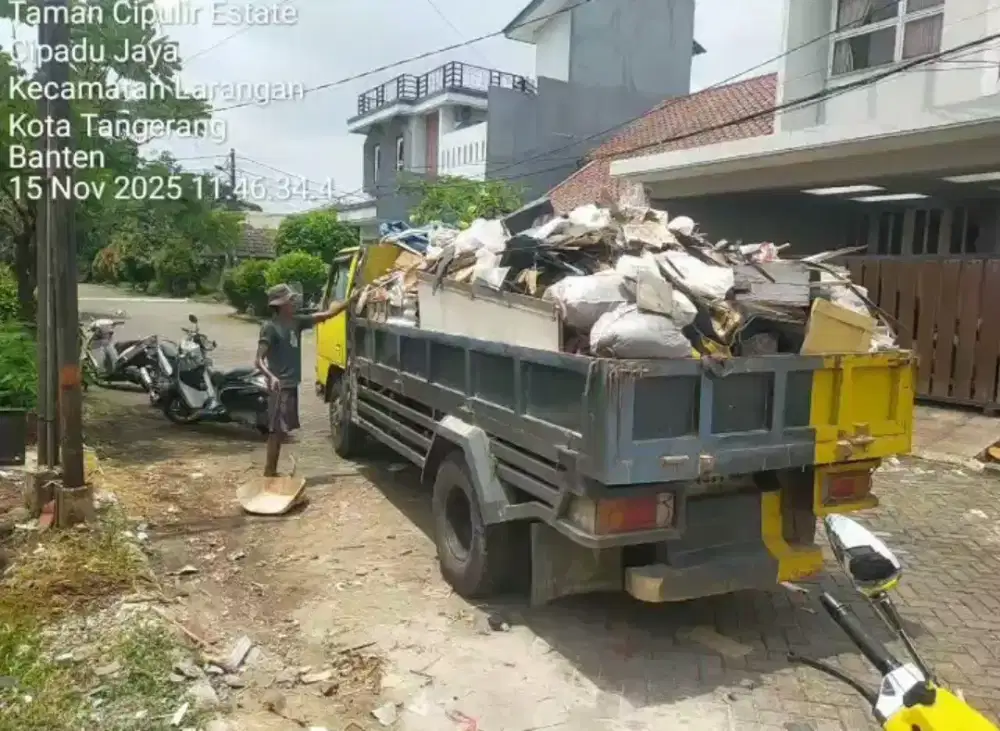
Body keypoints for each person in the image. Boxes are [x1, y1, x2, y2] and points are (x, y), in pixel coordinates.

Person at [255, 283, 353, 477]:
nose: (294, 303)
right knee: (276, 431)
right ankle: (269, 472)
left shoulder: (296, 322)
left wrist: (349, 301)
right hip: (279, 387)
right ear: (281, 304)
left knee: (283, 431)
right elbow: (258, 360)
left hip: (291, 385)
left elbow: (325, 315)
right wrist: (271, 376)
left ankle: (271, 471)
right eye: (290, 300)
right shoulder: (270, 328)